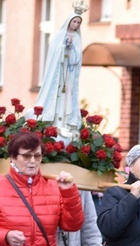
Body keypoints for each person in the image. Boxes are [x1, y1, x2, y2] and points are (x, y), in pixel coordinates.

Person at [34, 1, 89, 141]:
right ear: (69, 21)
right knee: (56, 95)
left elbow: (77, 58)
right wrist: (65, 46)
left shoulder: (77, 37)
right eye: (74, 21)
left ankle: (64, 122)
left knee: (68, 97)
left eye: (78, 23)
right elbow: (54, 53)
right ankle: (53, 122)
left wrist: (71, 49)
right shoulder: (60, 34)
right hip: (58, 74)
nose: (76, 25)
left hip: (69, 74)